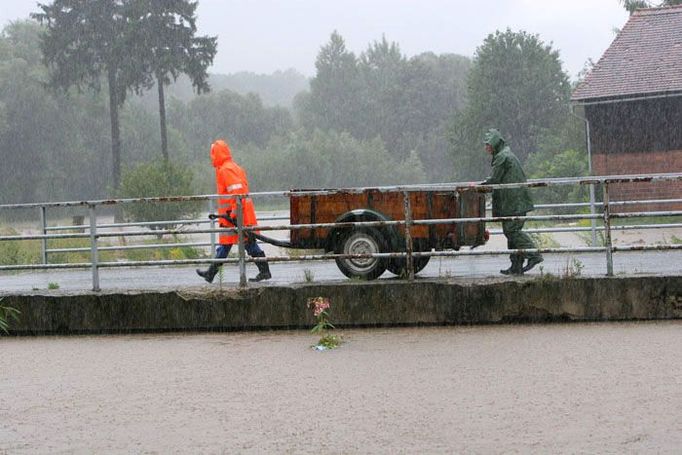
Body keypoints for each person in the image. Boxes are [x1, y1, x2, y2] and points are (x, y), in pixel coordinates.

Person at [196, 139, 272, 283]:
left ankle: (211, 273)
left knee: (245, 243)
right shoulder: (232, 167)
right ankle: (211, 273)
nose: (211, 157)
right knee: (236, 244)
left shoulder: (226, 169)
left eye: (212, 153)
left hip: (235, 215)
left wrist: (235, 213)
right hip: (234, 215)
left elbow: (237, 190)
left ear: (216, 154)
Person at [481, 128, 543, 275]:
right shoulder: (505, 154)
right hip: (514, 201)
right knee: (511, 232)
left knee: (512, 231)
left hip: (514, 201)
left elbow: (495, 180)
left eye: (488, 144)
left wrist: (479, 187)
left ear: (495, 144)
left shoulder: (502, 157)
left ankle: (534, 254)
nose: (486, 148)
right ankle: (516, 265)